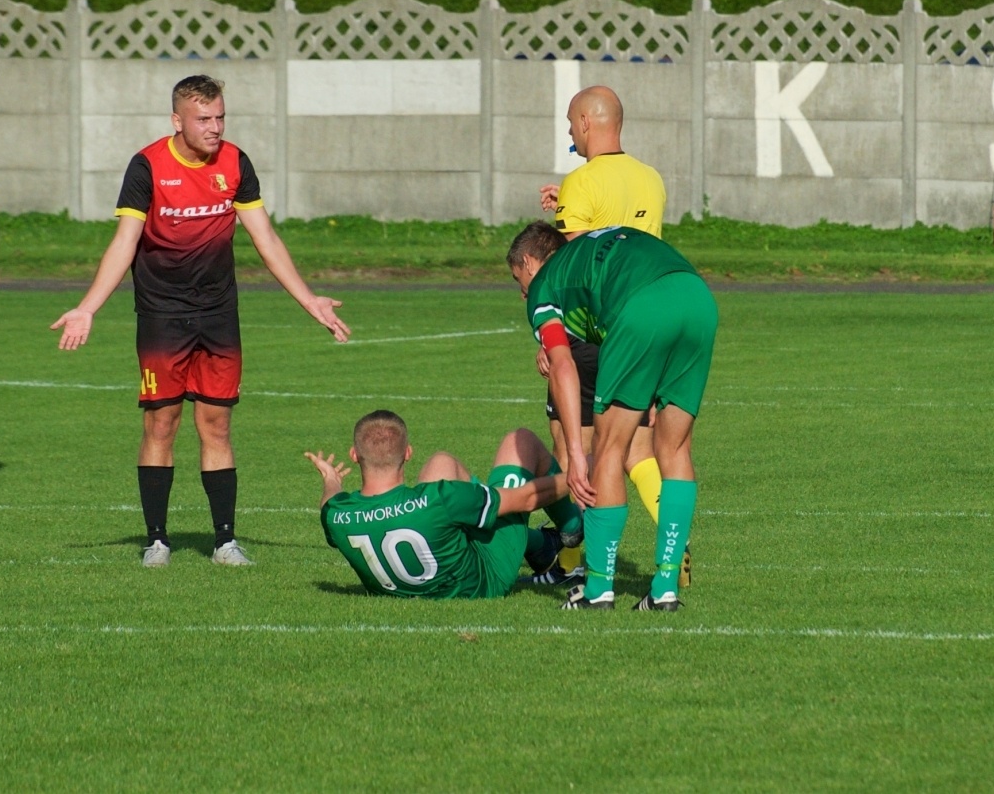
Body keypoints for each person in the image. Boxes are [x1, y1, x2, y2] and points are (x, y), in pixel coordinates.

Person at [52, 74, 350, 568]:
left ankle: (224, 542)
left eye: (220, 117)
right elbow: (125, 241)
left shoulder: (235, 162)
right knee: (161, 425)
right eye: (203, 119)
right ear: (177, 121)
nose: (214, 127)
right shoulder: (147, 165)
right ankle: (157, 541)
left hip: (218, 317)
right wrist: (88, 306)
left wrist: (308, 300)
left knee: (216, 425)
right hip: (162, 316)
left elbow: (266, 238)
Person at [507, 221, 717, 611]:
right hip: (697, 297)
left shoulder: (544, 286)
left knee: (607, 449)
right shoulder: (590, 249)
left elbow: (562, 365)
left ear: (531, 262)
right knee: (675, 449)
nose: (522, 293)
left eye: (518, 279)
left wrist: (573, 452)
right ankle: (665, 589)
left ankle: (598, 589)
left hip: (641, 307)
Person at [530, 84, 679, 587]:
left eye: (572, 122)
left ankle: (576, 566)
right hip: (647, 324)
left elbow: (572, 269)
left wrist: (548, 342)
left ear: (588, 123)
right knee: (639, 449)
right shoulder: (651, 180)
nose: (570, 131)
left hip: (590, 330)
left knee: (579, 448)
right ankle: (673, 549)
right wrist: (565, 203)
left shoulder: (582, 181)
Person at [307, 411, 582, 599]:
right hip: (483, 581)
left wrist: (331, 478)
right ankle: (572, 530)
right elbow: (526, 498)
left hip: (413, 578)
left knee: (441, 462)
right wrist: (577, 476)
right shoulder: (439, 498)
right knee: (519, 440)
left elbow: (328, 501)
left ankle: (540, 546)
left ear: (355, 455)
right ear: (408, 453)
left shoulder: (337, 515)